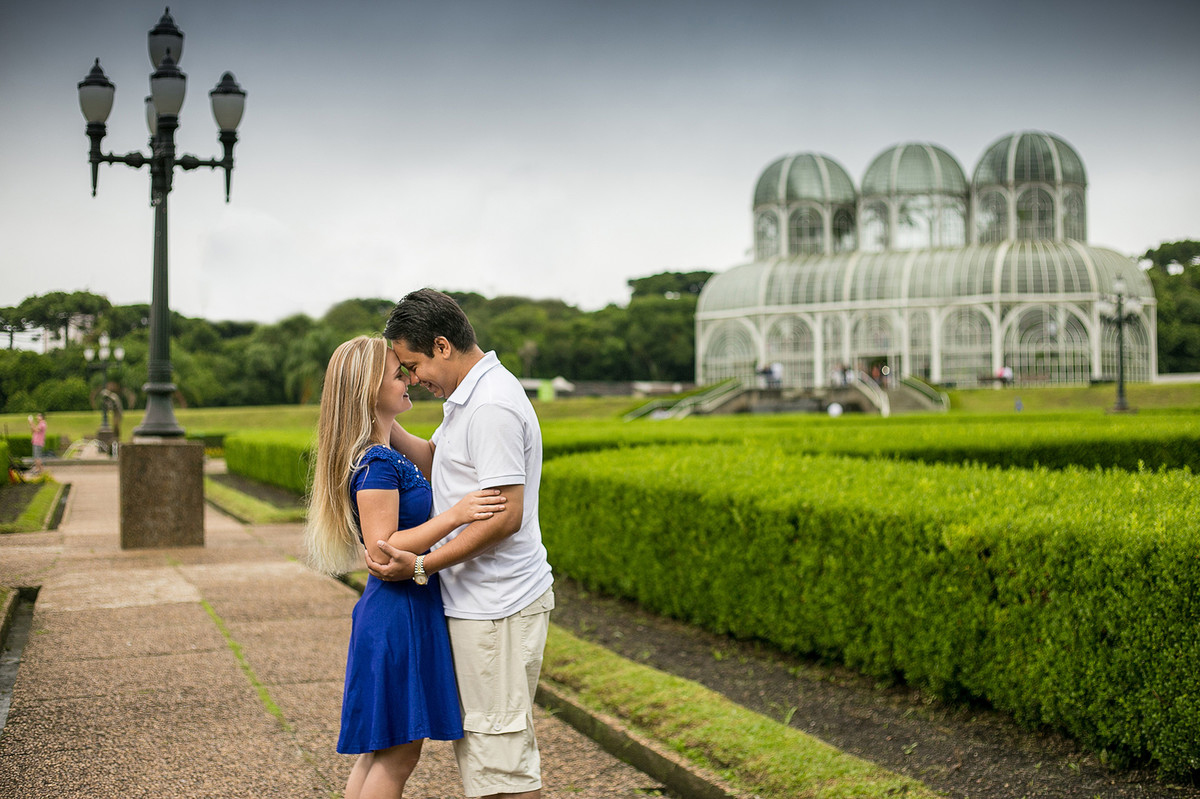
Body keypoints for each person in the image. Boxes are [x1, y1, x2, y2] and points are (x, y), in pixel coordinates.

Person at [368, 288, 555, 799]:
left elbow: (506, 516)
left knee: (501, 769)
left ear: (443, 346)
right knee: (489, 758)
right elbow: (442, 463)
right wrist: (381, 421)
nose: (411, 378)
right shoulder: (469, 398)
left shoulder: (491, 405)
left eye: (412, 364)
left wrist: (424, 565)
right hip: (483, 605)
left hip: (497, 608)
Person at [305, 335, 508, 799]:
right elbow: (384, 549)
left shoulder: (382, 448)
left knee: (382, 751)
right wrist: (455, 516)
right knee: (397, 755)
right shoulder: (377, 462)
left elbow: (435, 458)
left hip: (395, 612)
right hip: (399, 615)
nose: (410, 378)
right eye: (399, 374)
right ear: (367, 390)